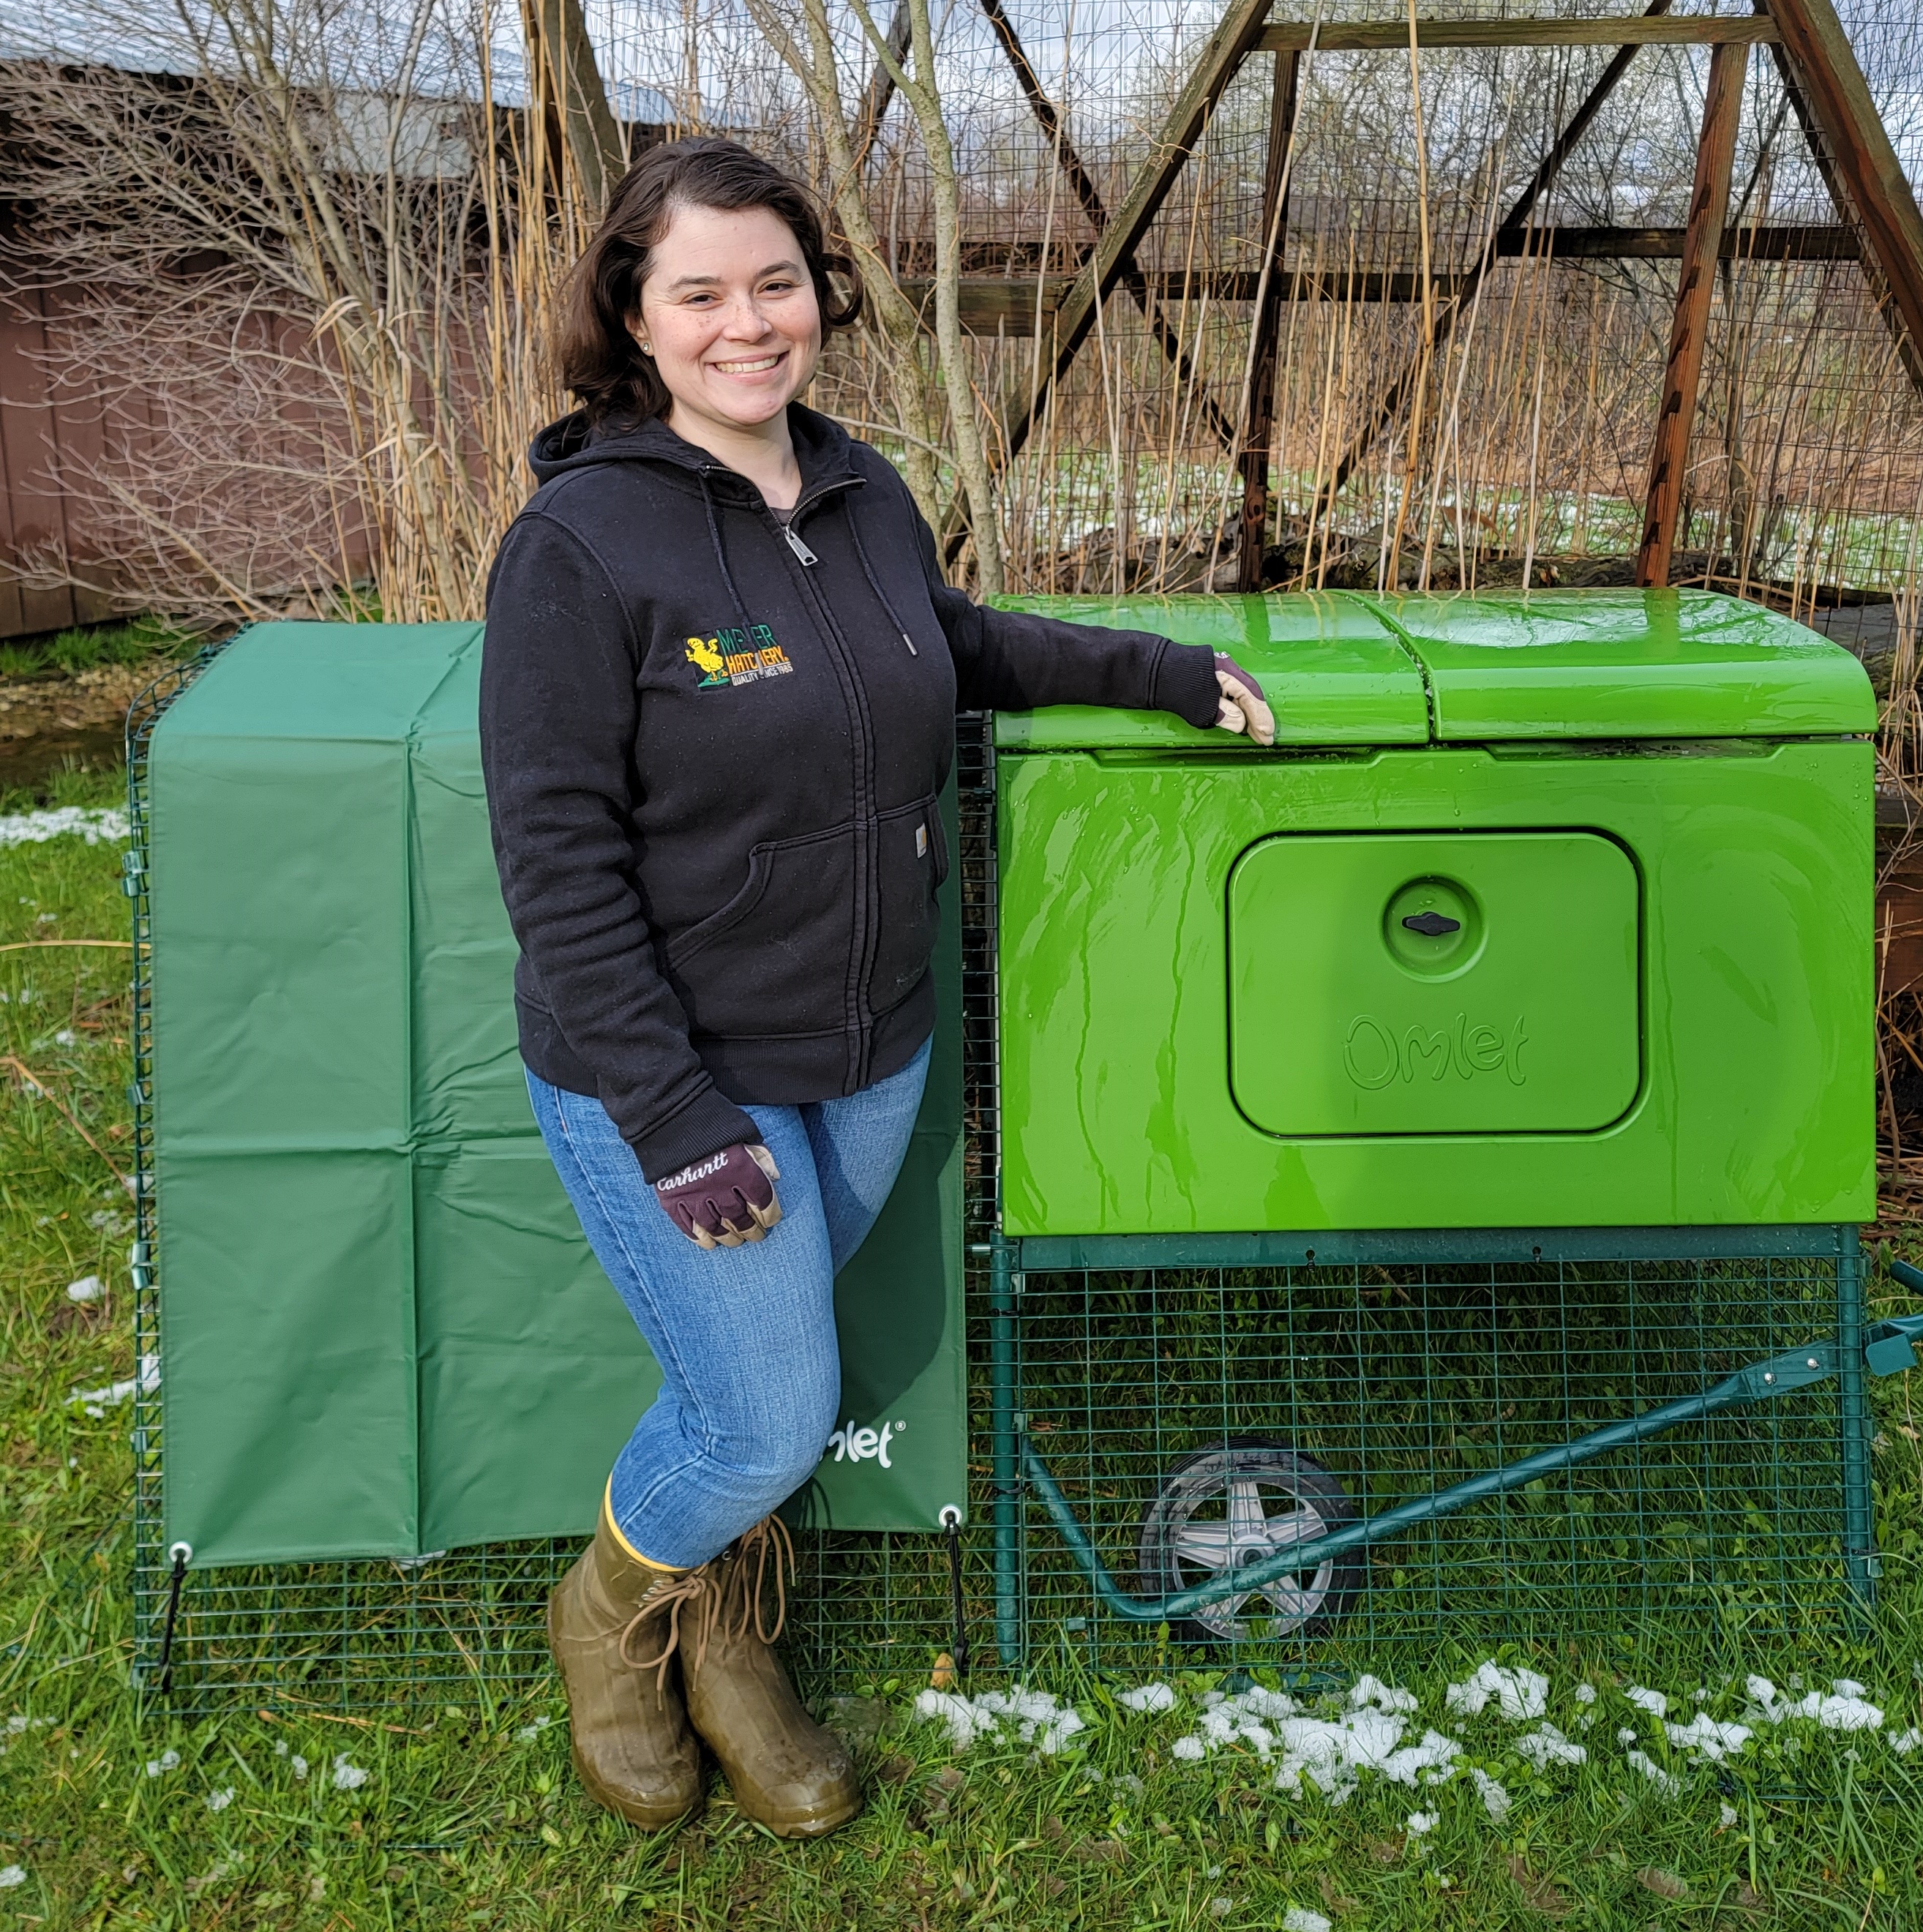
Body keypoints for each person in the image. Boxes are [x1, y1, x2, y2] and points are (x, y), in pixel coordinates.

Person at [479, 135, 1274, 1841]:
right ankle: (607, 1623)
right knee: (769, 1413)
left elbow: (956, 643)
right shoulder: (581, 547)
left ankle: (730, 1645)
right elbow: (555, 869)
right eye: (700, 291)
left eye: (776, 283)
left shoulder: (857, 489)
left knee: (741, 1390)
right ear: (634, 312)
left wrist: (1163, 672)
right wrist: (679, 1117)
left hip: (869, 1054)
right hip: (680, 1077)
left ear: (817, 297)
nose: (746, 323)